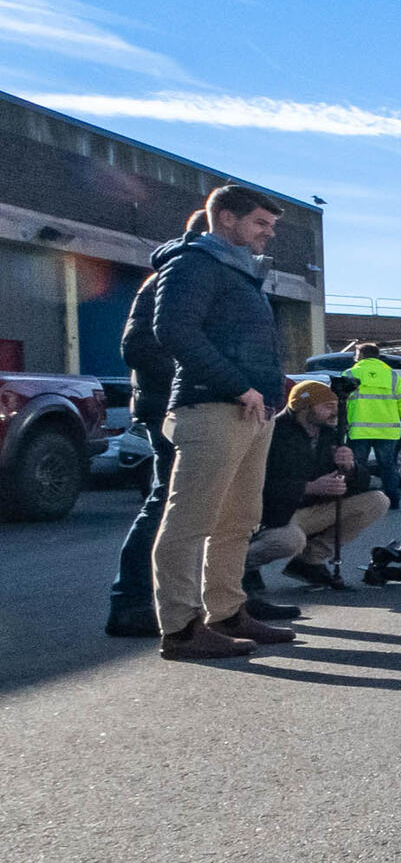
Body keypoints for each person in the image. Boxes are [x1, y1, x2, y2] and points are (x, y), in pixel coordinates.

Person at [107, 216, 301, 638]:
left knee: (233, 513)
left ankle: (230, 602)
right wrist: (212, 378)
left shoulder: (232, 276)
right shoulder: (181, 271)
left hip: (231, 403)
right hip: (185, 406)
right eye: (256, 225)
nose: (263, 235)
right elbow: (142, 344)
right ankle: (136, 602)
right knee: (173, 508)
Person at [150, 184, 294, 660]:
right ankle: (181, 629)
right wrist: (240, 385)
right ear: (226, 220)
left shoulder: (240, 272)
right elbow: (172, 331)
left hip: (254, 412)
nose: (268, 234)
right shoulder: (193, 264)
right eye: (260, 224)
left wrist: (272, 389)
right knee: (190, 520)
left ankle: (227, 612)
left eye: (271, 226)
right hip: (212, 408)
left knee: (238, 520)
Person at [246, 380, 392, 586]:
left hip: (313, 509)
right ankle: (243, 567)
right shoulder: (273, 434)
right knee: (289, 540)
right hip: (274, 515)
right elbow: (257, 485)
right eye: (327, 406)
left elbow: (362, 483)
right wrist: (309, 487)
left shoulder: (330, 433)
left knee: (377, 501)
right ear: (304, 407)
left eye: (336, 406)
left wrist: (351, 469)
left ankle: (309, 561)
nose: (335, 413)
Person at [344, 342, 401, 506]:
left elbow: (341, 401)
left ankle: (356, 501)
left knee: (357, 467)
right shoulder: (392, 375)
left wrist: (341, 423)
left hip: (359, 431)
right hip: (387, 432)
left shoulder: (350, 373)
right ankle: (392, 499)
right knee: (387, 466)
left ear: (360, 355)